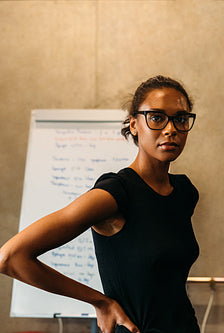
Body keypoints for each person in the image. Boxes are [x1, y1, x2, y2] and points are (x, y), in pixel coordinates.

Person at [0, 75, 201, 333]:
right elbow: (11, 257)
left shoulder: (184, 192)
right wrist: (100, 301)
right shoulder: (116, 193)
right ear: (134, 124)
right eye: (157, 117)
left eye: (181, 118)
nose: (171, 128)